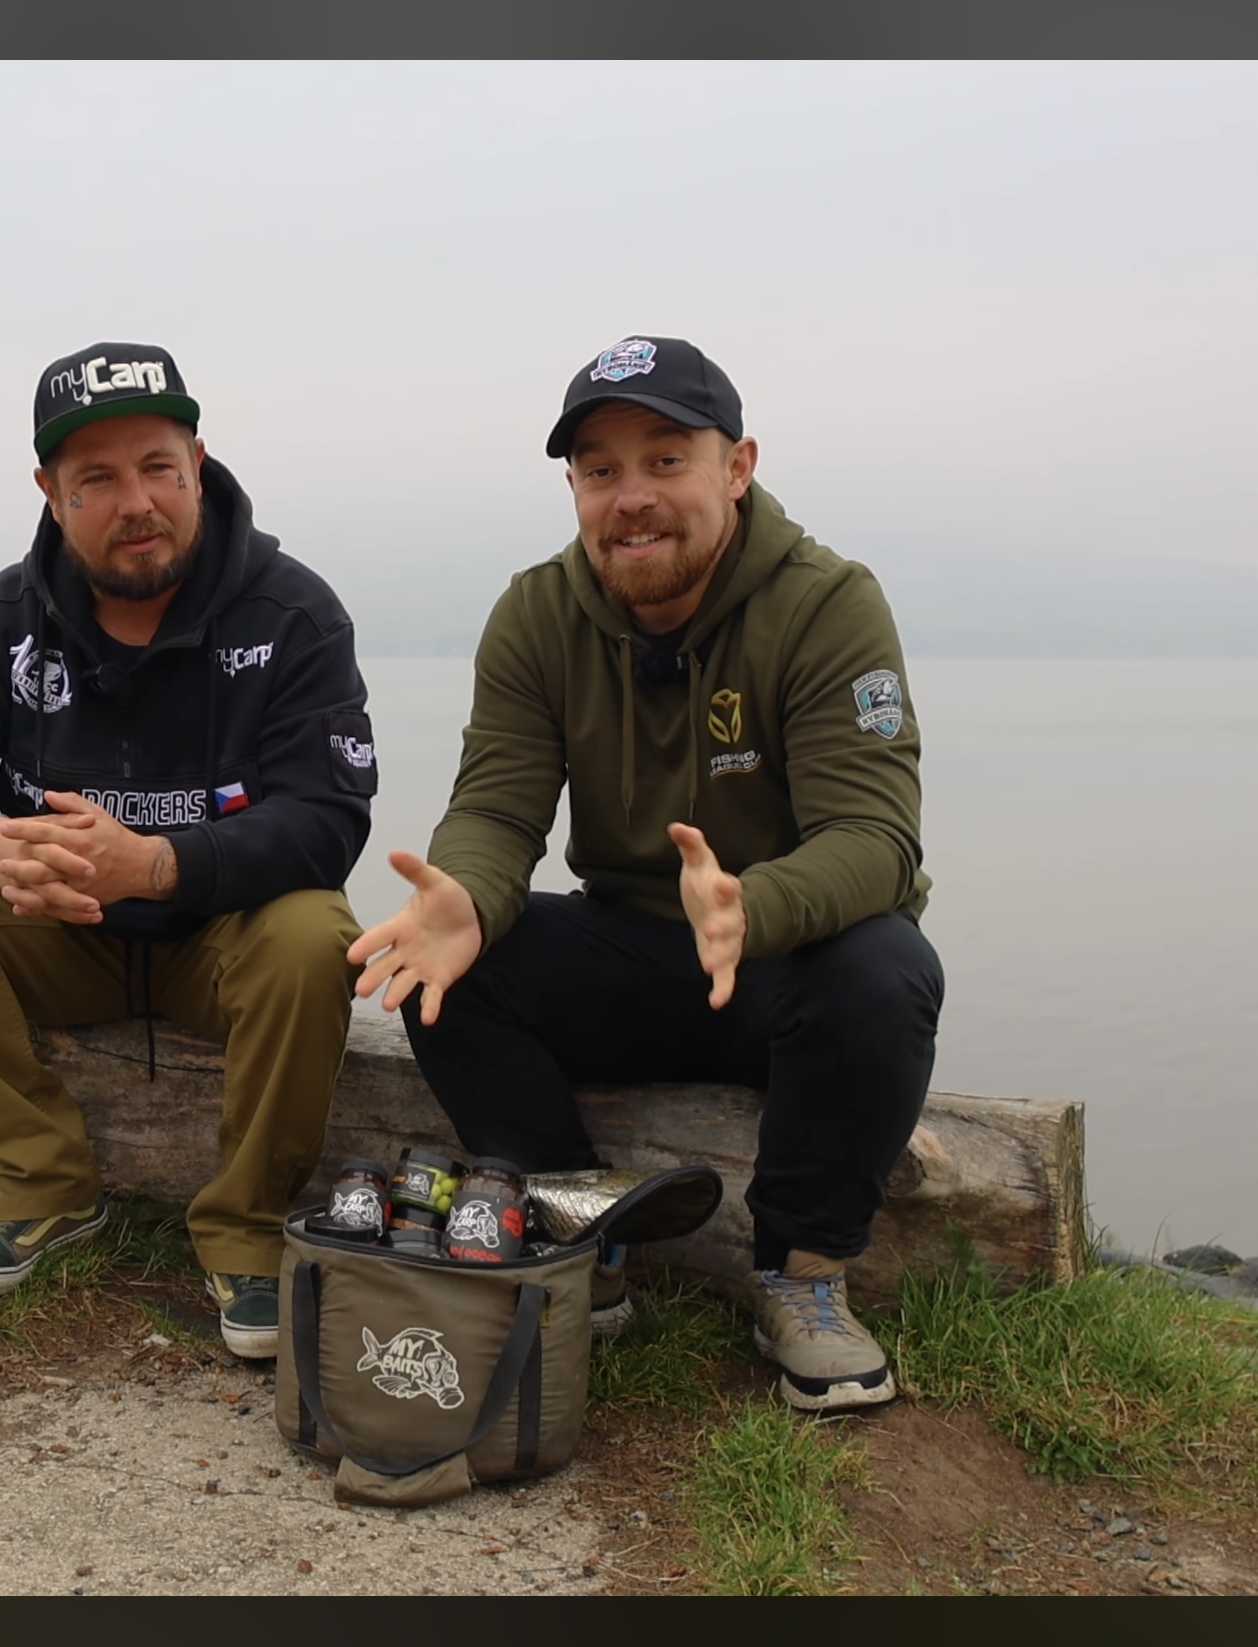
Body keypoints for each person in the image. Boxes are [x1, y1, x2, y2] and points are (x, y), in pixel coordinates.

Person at [347, 335, 942, 1413]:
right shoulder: (537, 612)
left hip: (783, 961)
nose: (631, 497)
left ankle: (800, 1273)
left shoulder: (826, 602)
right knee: (452, 967)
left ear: (737, 467)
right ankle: (586, 1237)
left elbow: (874, 836)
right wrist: (465, 895)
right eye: (600, 469)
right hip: (632, 947)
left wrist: (755, 905)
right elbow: (497, 807)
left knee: (885, 969)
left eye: (666, 460)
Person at [0, 341, 375, 1359]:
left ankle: (246, 1230)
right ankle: (41, 1181)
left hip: (217, 940)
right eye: (96, 478)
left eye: (157, 468)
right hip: (62, 932)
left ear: (197, 467)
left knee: (313, 932)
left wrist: (163, 863)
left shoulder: (293, 614)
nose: (136, 503)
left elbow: (327, 819)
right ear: (52, 495)